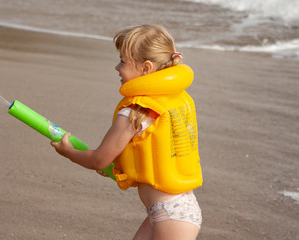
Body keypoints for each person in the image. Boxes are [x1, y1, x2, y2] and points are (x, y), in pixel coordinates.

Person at [51, 24, 202, 240]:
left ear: (146, 68)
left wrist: (69, 152)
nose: (116, 67)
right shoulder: (171, 101)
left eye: (122, 61)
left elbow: (98, 160)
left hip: (170, 213)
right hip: (176, 209)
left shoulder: (134, 112)